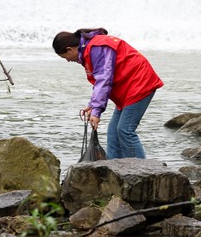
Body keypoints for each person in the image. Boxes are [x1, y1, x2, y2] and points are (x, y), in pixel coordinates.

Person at [52, 28, 163, 159]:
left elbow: (104, 78)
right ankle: (115, 170)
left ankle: (141, 172)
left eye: (65, 57)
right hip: (128, 88)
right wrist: (93, 105)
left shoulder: (97, 47)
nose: (68, 60)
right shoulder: (89, 49)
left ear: (70, 49)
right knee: (113, 132)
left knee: (125, 130)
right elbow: (100, 81)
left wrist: (97, 110)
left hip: (140, 84)